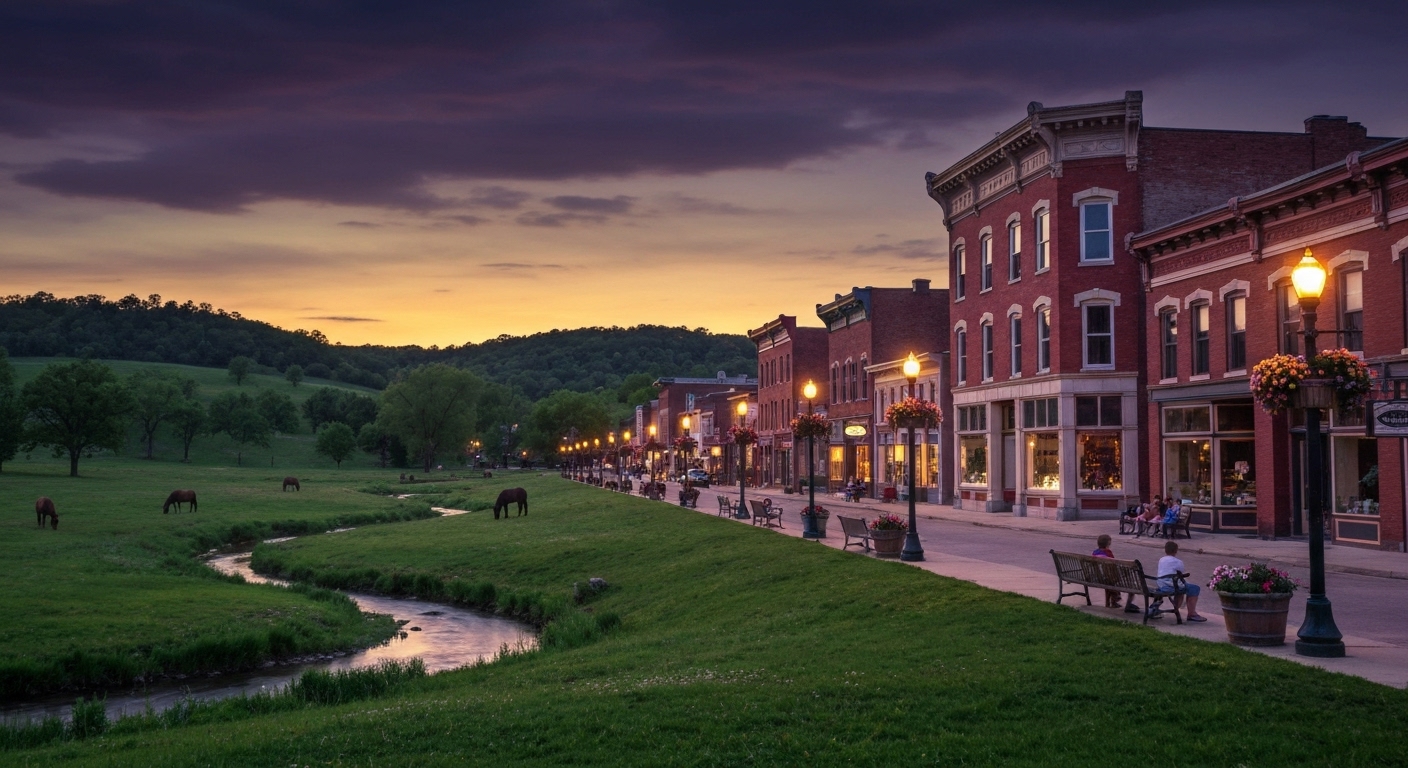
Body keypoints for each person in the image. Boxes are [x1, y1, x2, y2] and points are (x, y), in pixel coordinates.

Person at [1154, 541, 1206, 621]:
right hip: (1171, 585)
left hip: (1162, 584)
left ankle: (1176, 609)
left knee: (1180, 588)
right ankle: (1191, 613)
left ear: (1165, 550)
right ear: (1176, 551)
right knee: (1194, 588)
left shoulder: (1161, 560)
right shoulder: (1178, 562)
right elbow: (1180, 572)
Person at [1091, 534, 1122, 608]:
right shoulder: (1108, 552)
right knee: (1112, 581)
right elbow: (1113, 564)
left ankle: (1112, 600)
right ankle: (1115, 597)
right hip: (1108, 577)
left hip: (1097, 577)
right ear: (1108, 543)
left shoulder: (1094, 552)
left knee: (1109, 582)